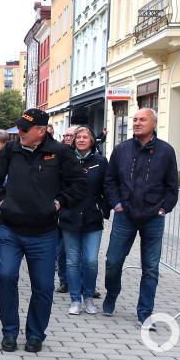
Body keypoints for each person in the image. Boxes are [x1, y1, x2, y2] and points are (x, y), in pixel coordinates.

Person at [0, 108, 86, 353]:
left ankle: (35, 334)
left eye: (24, 129)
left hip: (44, 233)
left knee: (43, 286)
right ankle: (9, 332)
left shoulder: (60, 152)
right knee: (6, 277)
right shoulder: (11, 149)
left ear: (40, 131)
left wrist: (59, 203)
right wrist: (1, 200)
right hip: (10, 229)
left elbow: (80, 183)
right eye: (19, 127)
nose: (20, 132)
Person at [102, 108, 178, 328]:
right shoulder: (121, 149)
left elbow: (172, 185)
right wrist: (116, 204)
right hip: (125, 214)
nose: (136, 123)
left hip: (153, 217)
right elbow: (110, 180)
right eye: (134, 119)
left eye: (142, 119)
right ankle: (112, 293)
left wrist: (164, 208)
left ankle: (145, 312)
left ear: (153, 123)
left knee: (151, 268)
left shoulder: (166, 151)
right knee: (113, 261)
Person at [59, 125, 109, 315]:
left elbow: (107, 186)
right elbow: (57, 185)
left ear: (91, 141)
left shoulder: (100, 162)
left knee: (91, 261)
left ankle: (88, 296)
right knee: (72, 261)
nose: (81, 140)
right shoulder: (65, 160)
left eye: (85, 137)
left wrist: (103, 207)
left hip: (92, 217)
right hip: (69, 216)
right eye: (78, 137)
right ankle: (75, 299)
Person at [55, 125, 79, 294]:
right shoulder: (59, 155)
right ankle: (64, 280)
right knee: (62, 249)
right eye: (66, 135)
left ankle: (84, 283)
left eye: (72, 135)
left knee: (84, 253)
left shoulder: (95, 158)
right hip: (63, 208)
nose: (68, 138)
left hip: (85, 210)